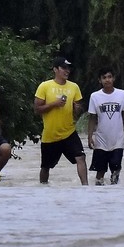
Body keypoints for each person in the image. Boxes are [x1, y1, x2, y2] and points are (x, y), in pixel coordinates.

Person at [34, 56, 88, 185]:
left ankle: (86, 187)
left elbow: (77, 112)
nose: (67, 70)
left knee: (81, 157)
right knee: (46, 167)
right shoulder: (45, 86)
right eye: (64, 68)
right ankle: (43, 188)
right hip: (50, 135)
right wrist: (54, 104)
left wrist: (77, 109)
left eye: (68, 68)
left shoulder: (74, 87)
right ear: (55, 69)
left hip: (69, 132)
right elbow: (37, 109)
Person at [86, 66, 124, 185]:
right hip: (101, 140)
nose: (107, 80)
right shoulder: (95, 96)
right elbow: (92, 118)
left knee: (116, 168)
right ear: (100, 80)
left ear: (114, 78)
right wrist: (90, 137)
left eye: (109, 77)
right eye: (104, 78)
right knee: (100, 172)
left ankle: (114, 191)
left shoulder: (122, 94)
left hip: (117, 139)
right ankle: (99, 194)